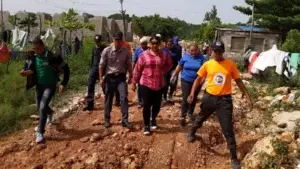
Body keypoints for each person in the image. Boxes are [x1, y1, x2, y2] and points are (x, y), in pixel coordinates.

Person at [186, 41, 253, 169]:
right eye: (215, 51)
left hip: (225, 101)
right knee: (200, 118)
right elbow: (198, 79)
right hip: (209, 98)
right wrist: (192, 93)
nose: (217, 53)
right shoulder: (208, 64)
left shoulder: (230, 65)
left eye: (219, 51)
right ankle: (192, 132)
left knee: (227, 129)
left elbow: (239, 81)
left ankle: (234, 158)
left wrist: (248, 97)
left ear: (223, 51)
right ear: (212, 50)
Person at [20, 37, 70, 143]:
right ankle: (50, 112)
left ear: (43, 46)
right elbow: (29, 69)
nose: (36, 51)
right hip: (39, 86)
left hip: (50, 85)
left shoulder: (53, 57)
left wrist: (63, 84)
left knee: (42, 108)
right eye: (34, 49)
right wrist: (25, 72)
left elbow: (66, 69)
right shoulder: (32, 56)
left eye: (38, 48)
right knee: (39, 106)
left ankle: (40, 132)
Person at [132, 35, 173, 135]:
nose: (154, 45)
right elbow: (138, 69)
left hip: (159, 84)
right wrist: (134, 82)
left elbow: (170, 63)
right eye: (153, 43)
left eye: (156, 43)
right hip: (146, 83)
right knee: (146, 106)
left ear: (159, 44)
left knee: (157, 106)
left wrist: (163, 71)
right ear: (150, 44)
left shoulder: (164, 54)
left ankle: (153, 118)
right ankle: (146, 126)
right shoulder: (144, 55)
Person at [99, 32, 133, 129]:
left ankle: (125, 120)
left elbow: (129, 64)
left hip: (121, 78)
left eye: (119, 40)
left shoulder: (125, 51)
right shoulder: (107, 50)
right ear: (113, 40)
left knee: (123, 98)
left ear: (122, 41)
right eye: (116, 40)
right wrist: (101, 79)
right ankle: (106, 120)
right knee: (108, 99)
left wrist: (130, 75)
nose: (117, 42)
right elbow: (101, 65)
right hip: (109, 78)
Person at [170, 44, 206, 127]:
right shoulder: (185, 57)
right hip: (185, 80)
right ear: (189, 51)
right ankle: (183, 116)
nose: (193, 53)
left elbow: (205, 70)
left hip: (197, 82)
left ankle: (190, 112)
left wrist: (203, 80)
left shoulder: (202, 58)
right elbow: (179, 67)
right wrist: (174, 75)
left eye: (195, 51)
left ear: (198, 50)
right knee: (186, 97)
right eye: (191, 51)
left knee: (194, 97)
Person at [83, 35, 106, 111]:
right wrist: (91, 69)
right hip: (94, 70)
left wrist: (105, 73)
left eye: (99, 41)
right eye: (96, 42)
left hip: (102, 71)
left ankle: (109, 100)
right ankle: (90, 105)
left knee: (104, 87)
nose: (97, 43)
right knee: (90, 86)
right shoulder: (94, 48)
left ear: (101, 41)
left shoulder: (105, 49)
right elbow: (93, 59)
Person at [110, 32, 133, 107]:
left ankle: (120, 99)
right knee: (121, 82)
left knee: (120, 82)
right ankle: (120, 99)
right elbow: (130, 55)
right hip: (121, 66)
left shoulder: (113, 44)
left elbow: (129, 56)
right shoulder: (126, 44)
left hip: (120, 66)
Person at [132, 37, 149, 108]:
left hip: (148, 71)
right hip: (139, 71)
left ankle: (146, 100)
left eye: (145, 44)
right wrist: (132, 70)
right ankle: (140, 101)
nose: (143, 45)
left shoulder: (150, 50)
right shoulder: (138, 51)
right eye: (142, 44)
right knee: (140, 86)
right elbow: (134, 61)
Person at [167, 36, 182, 101]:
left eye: (171, 44)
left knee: (173, 82)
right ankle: (164, 96)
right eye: (168, 44)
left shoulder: (178, 49)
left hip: (174, 68)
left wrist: (180, 67)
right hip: (165, 69)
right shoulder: (164, 49)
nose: (169, 45)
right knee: (165, 83)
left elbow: (180, 58)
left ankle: (170, 94)